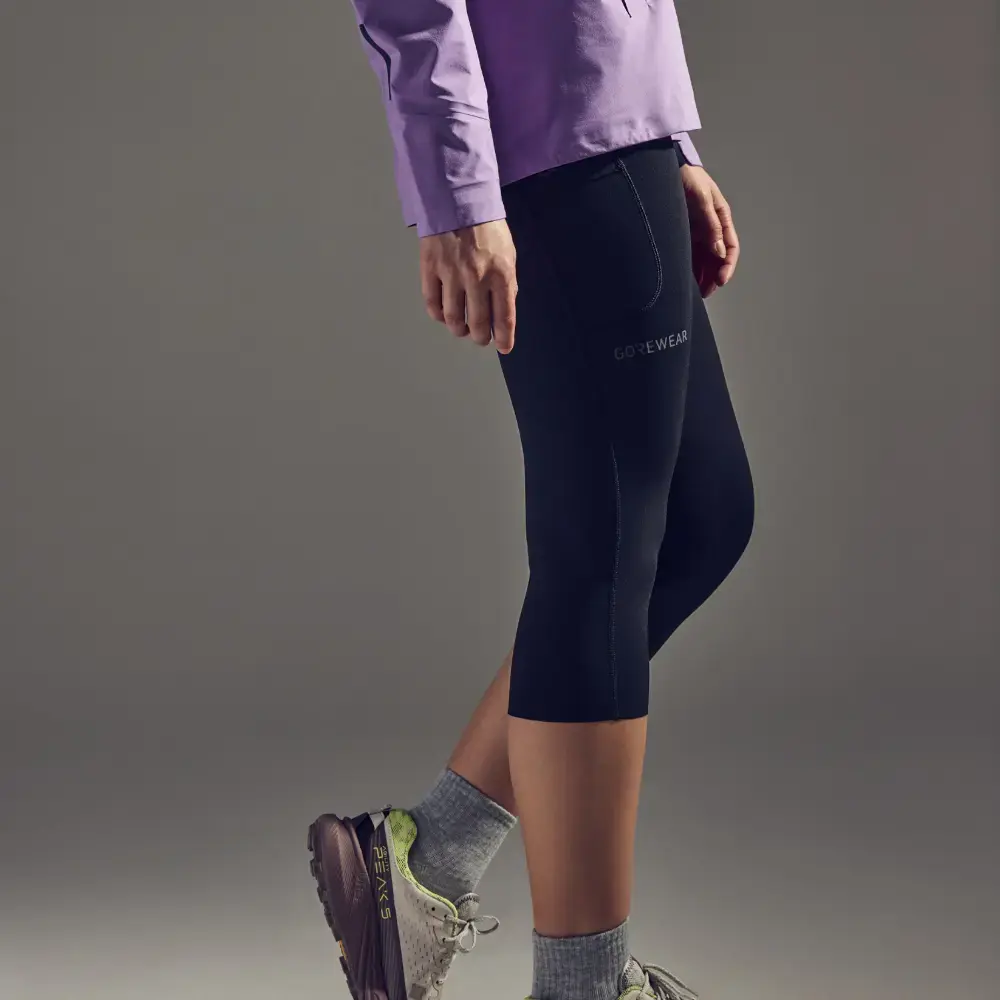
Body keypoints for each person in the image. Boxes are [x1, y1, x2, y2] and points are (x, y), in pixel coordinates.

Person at [308, 2, 755, 999]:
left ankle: (426, 860)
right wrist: (457, 192)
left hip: (616, 124)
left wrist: (665, 133)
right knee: (600, 554)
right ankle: (581, 984)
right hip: (551, 140)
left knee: (703, 517)